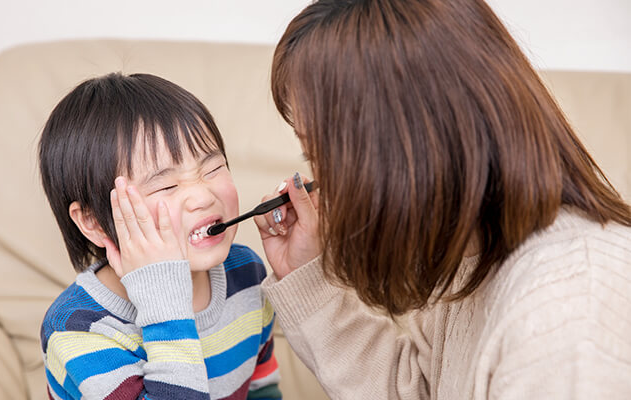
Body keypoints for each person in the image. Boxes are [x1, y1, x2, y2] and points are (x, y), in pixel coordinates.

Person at [253, 0, 631, 398]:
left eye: (322, 156)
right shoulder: (473, 257)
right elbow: (415, 390)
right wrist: (308, 277)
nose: (322, 184)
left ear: (408, 141)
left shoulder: (567, 311)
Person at [38, 73, 281, 400]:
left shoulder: (247, 273)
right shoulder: (77, 330)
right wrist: (166, 305)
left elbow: (262, 391)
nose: (202, 196)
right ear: (93, 221)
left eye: (213, 168)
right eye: (166, 186)